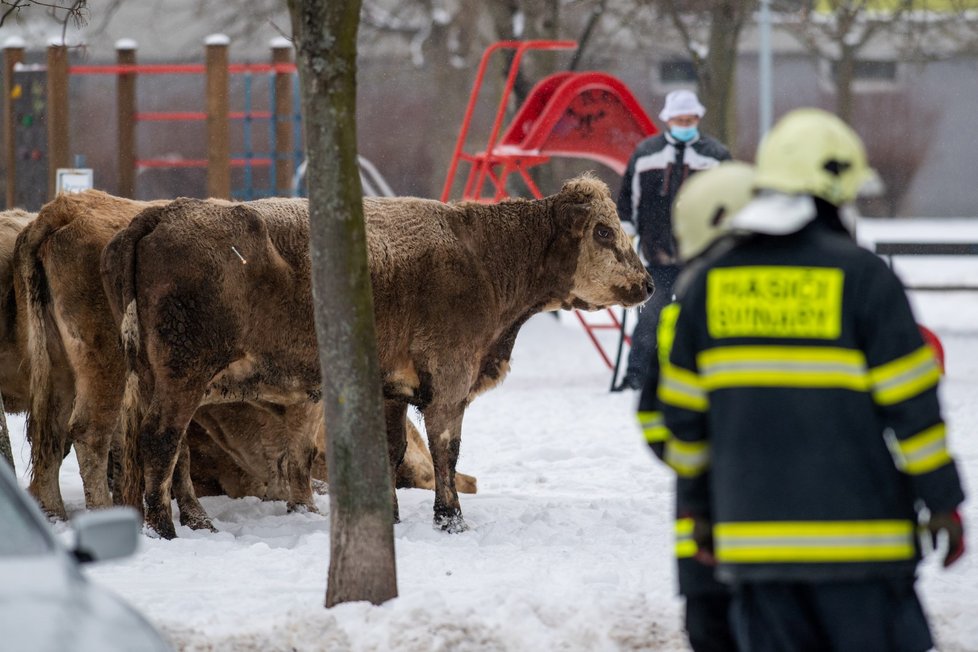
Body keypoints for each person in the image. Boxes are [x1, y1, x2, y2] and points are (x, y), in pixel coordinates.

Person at [659, 108, 966, 651]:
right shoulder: (865, 279)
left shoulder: (709, 286)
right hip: (865, 554)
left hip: (754, 553)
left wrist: (701, 513)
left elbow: (685, 424)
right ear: (837, 191)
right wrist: (942, 501)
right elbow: (914, 410)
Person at [637, 161, 754, 652]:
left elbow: (657, 412)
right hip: (828, 544)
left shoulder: (689, 303)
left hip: (710, 529)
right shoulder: (842, 282)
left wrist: (697, 476)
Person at [614, 89, 730, 392]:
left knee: (704, 317)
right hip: (658, 253)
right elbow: (628, 199)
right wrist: (626, 234)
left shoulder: (716, 156)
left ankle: (708, 372)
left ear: (698, 118)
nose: (684, 124)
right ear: (668, 119)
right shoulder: (646, 154)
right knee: (651, 317)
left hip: (701, 256)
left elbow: (730, 199)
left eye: (689, 119)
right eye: (679, 119)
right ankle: (637, 375)